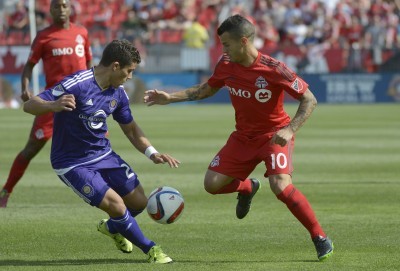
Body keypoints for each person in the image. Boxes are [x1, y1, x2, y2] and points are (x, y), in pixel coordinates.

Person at [144, 14, 334, 262]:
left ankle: (319, 237)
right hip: (243, 137)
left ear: (243, 41)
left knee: (281, 186)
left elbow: (309, 99)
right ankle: (248, 187)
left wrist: (289, 130)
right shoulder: (225, 64)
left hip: (273, 136)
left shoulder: (274, 68)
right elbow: (204, 90)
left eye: (226, 44)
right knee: (211, 185)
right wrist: (170, 98)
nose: (223, 49)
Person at [23, 39, 179, 264]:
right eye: (129, 71)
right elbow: (30, 105)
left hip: (103, 155)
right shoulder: (77, 84)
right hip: (72, 162)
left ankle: (113, 228)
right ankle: (151, 249)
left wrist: (152, 153)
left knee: (139, 202)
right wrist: (52, 105)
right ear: (115, 66)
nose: (130, 77)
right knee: (116, 205)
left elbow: (132, 130)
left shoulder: (118, 94)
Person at [0, 0, 92, 207]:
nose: (61, 9)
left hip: (81, 102)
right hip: (52, 101)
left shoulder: (82, 33)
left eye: (64, 6)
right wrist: (25, 88)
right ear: (50, 10)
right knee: (31, 149)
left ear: (70, 9)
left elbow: (89, 66)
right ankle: (6, 190)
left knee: (97, 146)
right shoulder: (44, 36)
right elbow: (29, 66)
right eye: (57, 6)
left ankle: (108, 193)